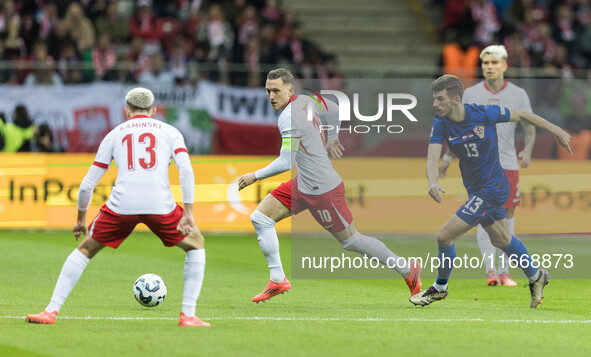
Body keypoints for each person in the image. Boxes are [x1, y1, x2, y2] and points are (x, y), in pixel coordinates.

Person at [26, 88, 209, 327]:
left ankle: (50, 311)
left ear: (126, 111)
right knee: (196, 244)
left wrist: (81, 219)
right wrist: (188, 212)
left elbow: (87, 185)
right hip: (159, 203)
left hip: (123, 203)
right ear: (154, 111)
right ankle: (188, 315)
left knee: (85, 249)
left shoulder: (114, 134)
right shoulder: (170, 132)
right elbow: (186, 170)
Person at [237, 68, 421, 303]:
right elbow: (333, 109)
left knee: (352, 241)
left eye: (276, 91)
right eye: (268, 91)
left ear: (289, 90)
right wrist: (333, 136)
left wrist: (255, 175)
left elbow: (286, 161)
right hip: (304, 182)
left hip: (322, 189)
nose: (271, 96)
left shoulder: (289, 117)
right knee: (261, 219)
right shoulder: (306, 100)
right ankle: (278, 280)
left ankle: (407, 270)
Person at [410, 74, 571, 308]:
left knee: (444, 235)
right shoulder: (441, 123)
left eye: (440, 99)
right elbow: (431, 159)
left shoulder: (483, 113)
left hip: (493, 188)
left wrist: (556, 130)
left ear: (456, 99)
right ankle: (537, 276)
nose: (435, 104)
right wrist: (432, 182)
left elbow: (523, 115)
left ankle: (440, 288)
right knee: (502, 239)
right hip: (476, 191)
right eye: (434, 99)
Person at [438, 45, 536, 286]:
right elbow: (457, 129)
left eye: (494, 63)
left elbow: (529, 124)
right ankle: (491, 270)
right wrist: (448, 158)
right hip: (479, 166)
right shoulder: (470, 94)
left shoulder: (518, 93)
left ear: (504, 65)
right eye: (485, 64)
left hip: (508, 163)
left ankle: (505, 271)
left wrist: (528, 150)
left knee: (507, 216)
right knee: (483, 215)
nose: (489, 67)